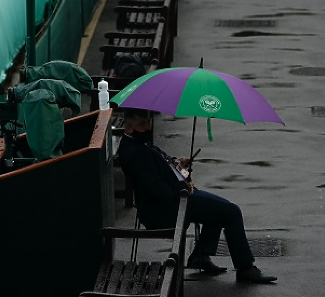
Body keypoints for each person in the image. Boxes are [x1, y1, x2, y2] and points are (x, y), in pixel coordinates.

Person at [119, 108, 278, 284]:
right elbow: (156, 189)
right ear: (128, 127)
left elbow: (159, 171)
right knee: (231, 212)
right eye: (143, 124)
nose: (148, 127)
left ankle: (200, 256)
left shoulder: (138, 144)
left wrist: (178, 166)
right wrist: (183, 186)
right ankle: (245, 268)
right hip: (168, 207)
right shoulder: (135, 152)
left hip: (176, 200)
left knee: (220, 207)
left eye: (149, 122)